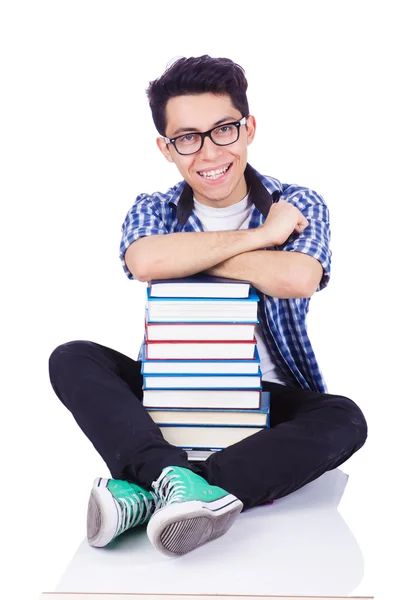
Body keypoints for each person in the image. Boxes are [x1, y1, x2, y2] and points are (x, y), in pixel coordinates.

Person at [49, 55, 367, 558]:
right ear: (166, 148)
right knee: (72, 357)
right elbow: (145, 259)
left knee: (345, 420)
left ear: (249, 129)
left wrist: (186, 258)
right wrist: (264, 238)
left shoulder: (297, 201)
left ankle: (161, 488)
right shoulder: (153, 208)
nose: (209, 151)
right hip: (171, 388)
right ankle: (174, 481)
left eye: (223, 130)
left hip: (266, 402)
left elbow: (296, 277)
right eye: (187, 138)